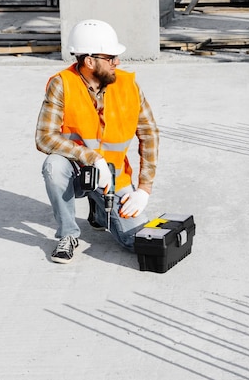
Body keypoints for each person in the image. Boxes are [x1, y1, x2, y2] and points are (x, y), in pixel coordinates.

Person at [35, 19, 160, 264]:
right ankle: (68, 235)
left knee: (135, 240)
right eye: (111, 58)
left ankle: (100, 213)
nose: (117, 62)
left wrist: (144, 188)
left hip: (113, 177)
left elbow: (149, 133)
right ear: (90, 61)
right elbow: (44, 137)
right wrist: (92, 158)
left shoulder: (128, 85)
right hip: (76, 171)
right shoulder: (62, 84)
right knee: (53, 166)